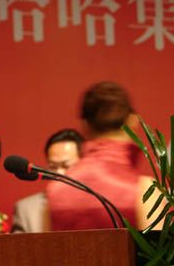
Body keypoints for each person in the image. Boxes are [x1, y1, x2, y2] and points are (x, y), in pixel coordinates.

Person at [45, 81, 161, 231]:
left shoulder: (55, 192)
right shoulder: (144, 191)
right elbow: (158, 246)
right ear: (133, 121)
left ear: (84, 125)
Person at [11, 128, 84, 233]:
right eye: (53, 166)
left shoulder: (97, 204)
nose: (59, 173)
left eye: (66, 166)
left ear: (83, 163)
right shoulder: (26, 210)